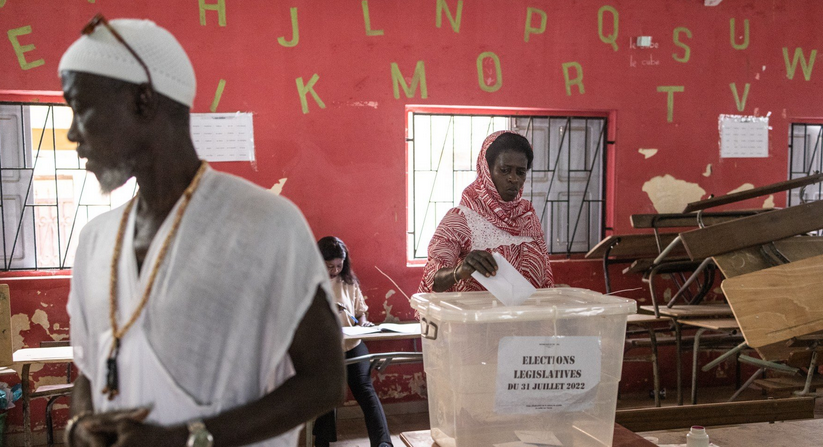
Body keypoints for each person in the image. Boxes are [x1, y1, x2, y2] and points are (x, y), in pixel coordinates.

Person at [60, 15, 345, 447]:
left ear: (142, 100)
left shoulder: (265, 222)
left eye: (81, 108)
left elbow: (324, 382)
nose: (72, 133)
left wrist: (186, 439)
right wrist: (81, 423)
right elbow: (92, 368)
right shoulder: (95, 239)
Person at [418, 130, 554, 293]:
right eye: (504, 170)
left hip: (526, 316)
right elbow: (433, 280)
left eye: (520, 172)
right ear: (487, 170)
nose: (513, 179)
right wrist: (460, 271)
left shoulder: (527, 216)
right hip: (476, 317)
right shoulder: (461, 219)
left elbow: (545, 275)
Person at [313, 237, 393, 447]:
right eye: (330, 266)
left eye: (339, 265)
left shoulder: (349, 282)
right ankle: (322, 442)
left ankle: (383, 442)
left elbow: (361, 312)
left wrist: (364, 324)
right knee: (328, 393)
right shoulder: (308, 282)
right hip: (325, 349)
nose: (335, 271)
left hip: (352, 344)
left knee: (365, 390)